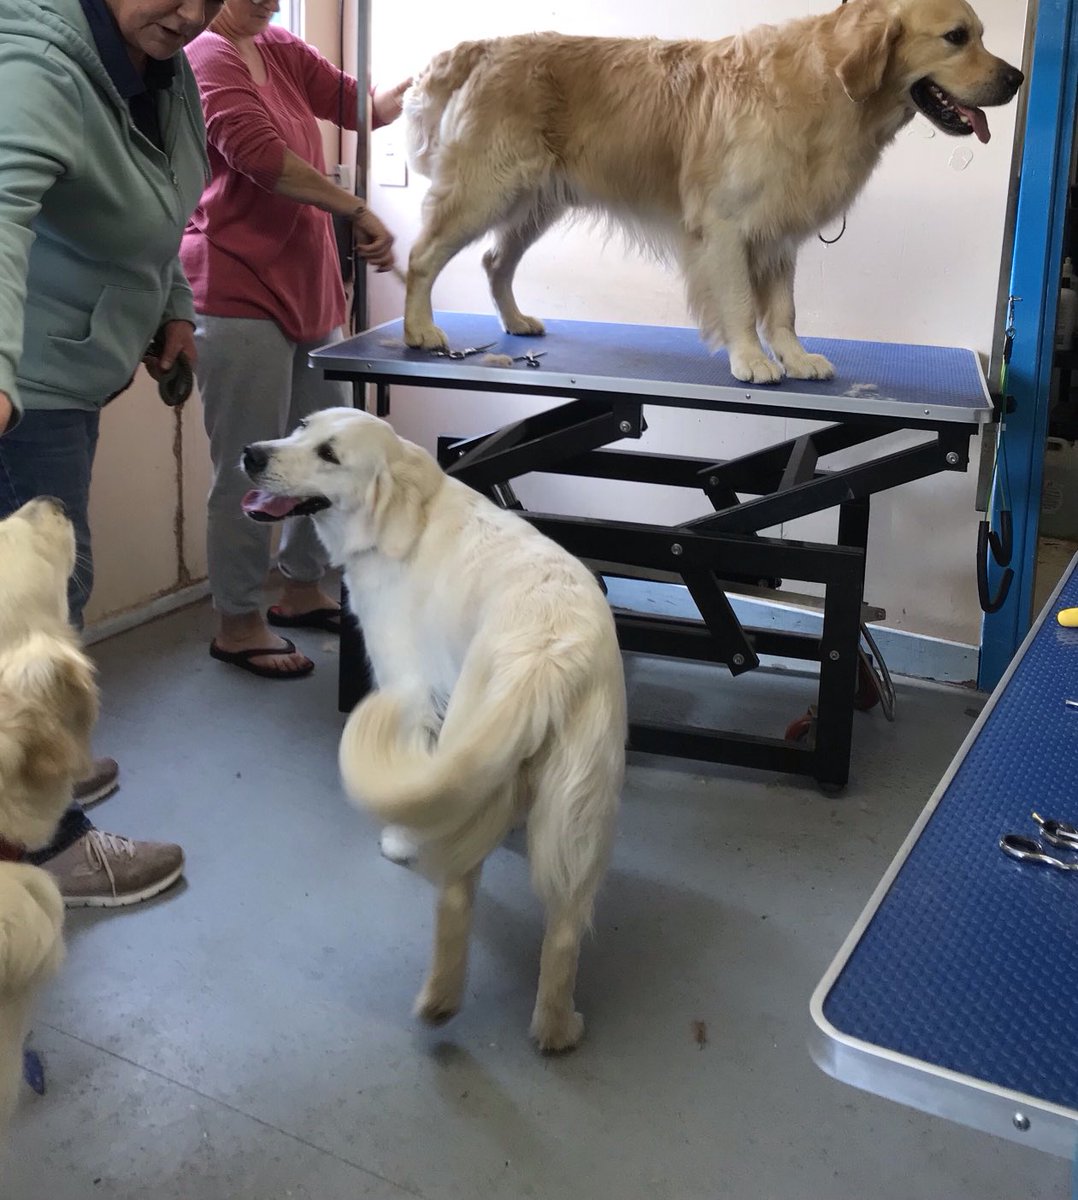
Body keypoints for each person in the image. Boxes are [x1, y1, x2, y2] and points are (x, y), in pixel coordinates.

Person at [0, 0, 226, 905]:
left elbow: (166, 200)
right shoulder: (43, 63)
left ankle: (42, 767)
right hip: (26, 391)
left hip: (73, 372)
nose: (192, 10)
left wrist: (173, 303)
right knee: (39, 622)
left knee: (48, 601)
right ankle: (47, 837)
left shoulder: (155, 70)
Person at [181, 0, 406, 679]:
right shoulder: (204, 57)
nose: (272, 1)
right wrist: (357, 207)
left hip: (310, 288)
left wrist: (444, 78)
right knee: (248, 468)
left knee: (328, 458)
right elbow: (261, 159)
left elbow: (365, 108)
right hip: (238, 287)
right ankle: (239, 620)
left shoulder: (276, 46)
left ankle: (303, 588)